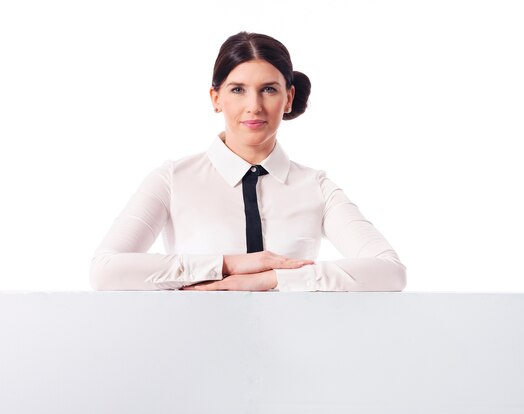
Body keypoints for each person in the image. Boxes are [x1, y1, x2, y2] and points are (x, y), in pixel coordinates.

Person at [89, 31, 406, 292]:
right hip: (192, 352)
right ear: (216, 98)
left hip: (295, 357)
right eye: (238, 89)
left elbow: (389, 272)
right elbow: (106, 271)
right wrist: (228, 265)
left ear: (288, 98)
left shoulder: (316, 187)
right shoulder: (173, 179)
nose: (254, 106)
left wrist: (270, 278)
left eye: (268, 89)